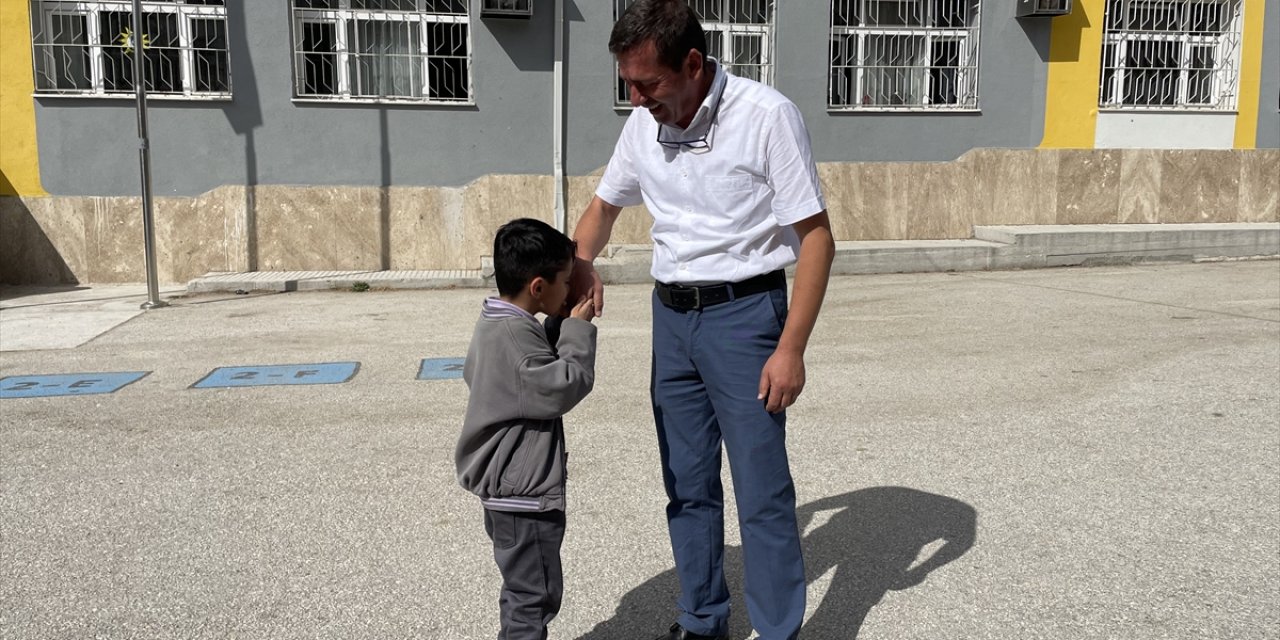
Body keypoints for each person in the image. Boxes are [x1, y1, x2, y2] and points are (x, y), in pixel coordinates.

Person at [569, 2, 835, 639]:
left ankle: (777, 631)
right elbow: (604, 209)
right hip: (673, 321)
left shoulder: (766, 116)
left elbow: (816, 237)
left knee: (762, 493)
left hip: (746, 318)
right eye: (627, 84)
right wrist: (581, 265)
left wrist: (791, 346)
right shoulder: (642, 124)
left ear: (693, 64)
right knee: (687, 485)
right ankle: (702, 620)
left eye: (649, 83)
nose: (636, 98)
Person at [456, 217, 598, 640]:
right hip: (524, 498)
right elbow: (564, 386)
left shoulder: (498, 322)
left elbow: (528, 372)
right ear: (538, 287)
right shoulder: (518, 340)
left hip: (506, 494)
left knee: (520, 591)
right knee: (533, 597)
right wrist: (578, 326)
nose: (570, 289)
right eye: (566, 280)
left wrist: (556, 322)